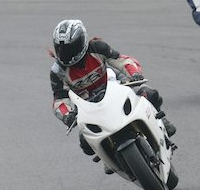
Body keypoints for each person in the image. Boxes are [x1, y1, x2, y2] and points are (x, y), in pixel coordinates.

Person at [49, 19, 176, 167]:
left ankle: (161, 121)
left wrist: (134, 73)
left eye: (71, 48)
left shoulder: (97, 48)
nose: (67, 53)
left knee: (149, 93)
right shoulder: (58, 72)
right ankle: (108, 156)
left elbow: (121, 60)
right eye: (61, 49)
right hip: (89, 105)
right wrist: (67, 115)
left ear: (82, 41)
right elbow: (59, 100)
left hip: (115, 86)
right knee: (85, 143)